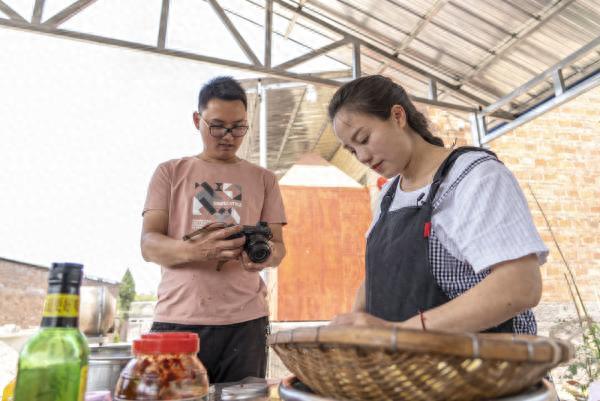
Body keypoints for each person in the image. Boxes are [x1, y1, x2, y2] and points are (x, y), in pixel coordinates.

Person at [328, 75, 547, 334]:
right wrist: (354, 327)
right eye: (352, 151)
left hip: (486, 368)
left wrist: (403, 333)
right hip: (409, 369)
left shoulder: (474, 177)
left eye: (363, 139)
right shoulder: (388, 195)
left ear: (398, 116)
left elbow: (520, 286)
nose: (362, 156)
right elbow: (379, 276)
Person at [140, 76, 287, 383]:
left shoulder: (264, 179)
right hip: (178, 320)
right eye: (217, 125)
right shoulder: (170, 172)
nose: (228, 136)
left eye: (238, 128)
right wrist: (196, 250)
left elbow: (279, 247)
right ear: (198, 120)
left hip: (245, 322)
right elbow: (149, 245)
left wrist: (264, 256)